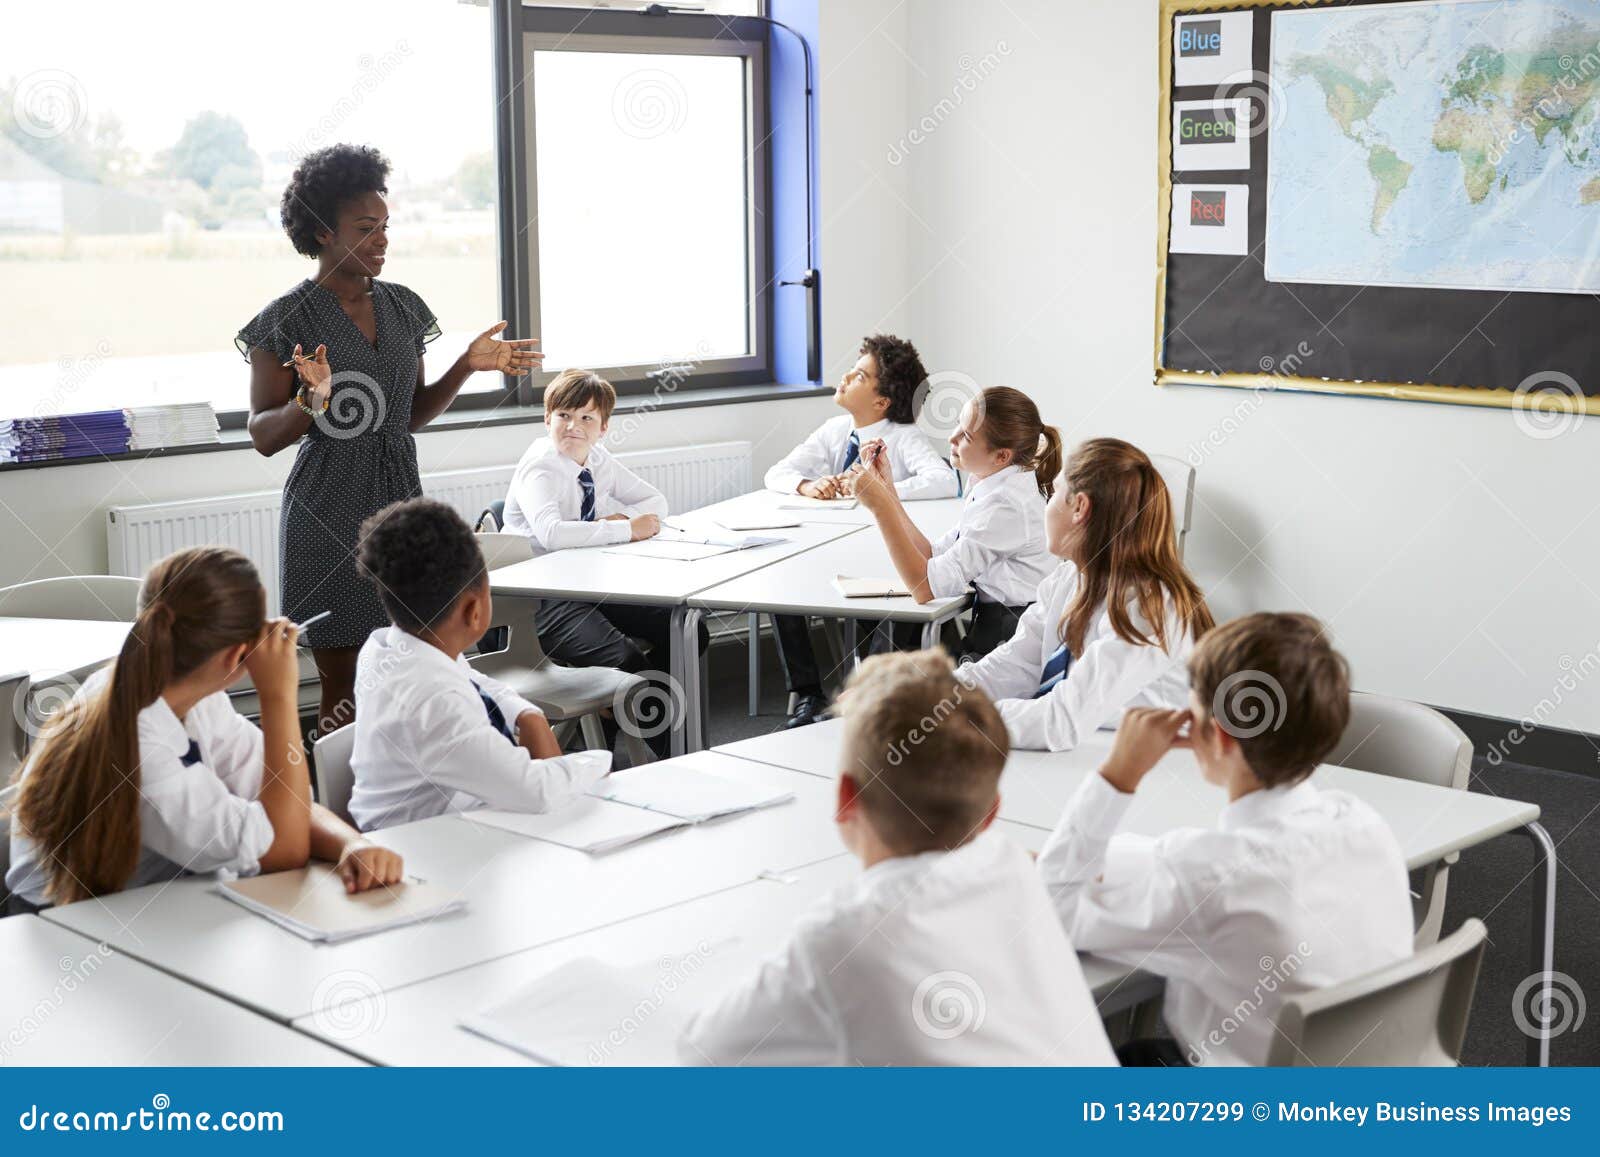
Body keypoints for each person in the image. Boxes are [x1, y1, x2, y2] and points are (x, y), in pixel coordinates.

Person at [679, 650, 1116, 1066]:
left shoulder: (841, 934)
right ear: (993, 813)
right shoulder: (1015, 867)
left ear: (845, 797)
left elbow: (702, 1054)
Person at [239, 143, 542, 740]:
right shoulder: (284, 320)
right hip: (324, 514)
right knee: (344, 678)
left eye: (386, 227)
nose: (382, 240)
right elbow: (261, 436)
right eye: (365, 228)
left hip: (402, 509)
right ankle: (345, 817)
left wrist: (467, 365)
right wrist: (312, 401)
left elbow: (406, 417)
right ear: (323, 232)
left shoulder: (402, 307)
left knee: (420, 664)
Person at [1038, 612, 1413, 1066]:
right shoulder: (1364, 824)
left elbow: (1052, 908)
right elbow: (1179, 866)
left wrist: (1119, 774)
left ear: (1218, 734)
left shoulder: (1206, 876)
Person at [5, 548, 401, 911]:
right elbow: (285, 848)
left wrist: (352, 844)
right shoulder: (142, 741)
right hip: (66, 924)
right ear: (236, 656)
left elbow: (285, 806)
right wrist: (278, 697)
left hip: (148, 903)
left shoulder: (190, 697)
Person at [347, 498, 611, 831]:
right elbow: (535, 790)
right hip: (421, 849)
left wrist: (527, 715)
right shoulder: (434, 699)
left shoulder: (391, 646)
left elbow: (474, 680)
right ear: (474, 610)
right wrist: (600, 762)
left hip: (441, 824)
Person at [959, 437, 1214, 751]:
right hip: (1095, 747)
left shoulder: (1151, 606)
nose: (1046, 506)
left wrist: (958, 718)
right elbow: (1016, 666)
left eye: (1052, 494)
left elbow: (1060, 722)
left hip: (1155, 768)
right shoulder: (1069, 577)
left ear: (1079, 507)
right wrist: (935, 696)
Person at [502, 369, 705, 758]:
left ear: (603, 428)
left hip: (593, 586)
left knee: (684, 631)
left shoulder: (597, 458)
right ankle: (674, 756)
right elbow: (553, 534)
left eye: (586, 418)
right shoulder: (540, 466)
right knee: (625, 659)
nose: (573, 426)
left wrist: (611, 523)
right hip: (543, 601)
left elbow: (655, 503)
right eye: (563, 415)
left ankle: (628, 718)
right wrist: (623, 529)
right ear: (547, 419)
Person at [764, 335, 957, 729]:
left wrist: (878, 493)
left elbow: (945, 481)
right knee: (778, 584)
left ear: (882, 402)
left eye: (861, 374)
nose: (848, 375)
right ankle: (807, 694)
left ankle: (867, 695)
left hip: (881, 561)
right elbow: (776, 473)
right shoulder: (835, 430)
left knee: (881, 604)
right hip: (829, 550)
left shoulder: (903, 437)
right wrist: (805, 486)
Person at [854, 386, 1059, 662]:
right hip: (992, 625)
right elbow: (932, 555)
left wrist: (880, 507)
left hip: (1007, 638)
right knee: (893, 633)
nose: (951, 438)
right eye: (956, 426)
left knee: (901, 652)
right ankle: (864, 696)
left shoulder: (1006, 504)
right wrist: (888, 492)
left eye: (966, 436)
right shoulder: (991, 483)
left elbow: (924, 588)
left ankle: (862, 697)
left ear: (1001, 456)